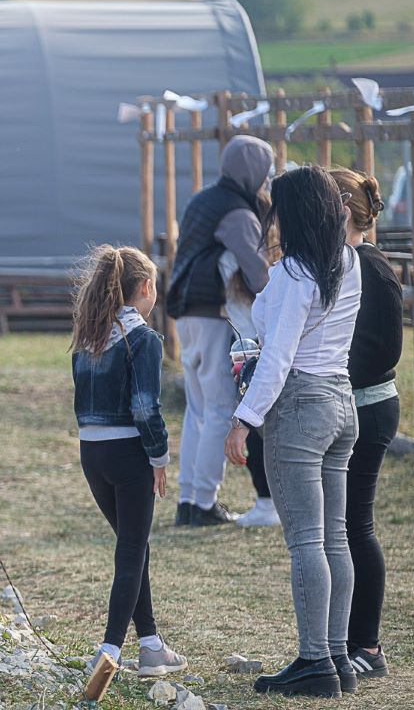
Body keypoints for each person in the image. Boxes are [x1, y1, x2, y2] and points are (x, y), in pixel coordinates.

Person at [225, 165, 362, 698]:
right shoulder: (346, 261)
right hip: (341, 401)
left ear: (294, 213)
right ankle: (337, 656)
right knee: (334, 538)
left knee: (306, 541)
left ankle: (314, 662)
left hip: (301, 404)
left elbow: (278, 358)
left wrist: (243, 421)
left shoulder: (293, 274)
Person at [71, 244, 187, 677]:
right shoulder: (143, 339)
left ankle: (151, 644)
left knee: (134, 547)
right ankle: (111, 651)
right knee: (132, 550)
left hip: (91, 453)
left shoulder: (87, 339)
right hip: (128, 453)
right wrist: (159, 457)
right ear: (145, 288)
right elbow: (145, 409)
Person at [168, 135, 273, 526]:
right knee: (216, 411)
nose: (266, 182)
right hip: (213, 313)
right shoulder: (237, 213)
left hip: (185, 313)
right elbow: (258, 272)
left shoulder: (203, 198)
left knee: (197, 410)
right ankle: (204, 504)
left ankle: (188, 499)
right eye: (264, 173)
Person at [329, 167, 402, 680]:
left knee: (357, 524)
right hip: (348, 402)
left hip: (369, 406)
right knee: (344, 525)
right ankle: (348, 639)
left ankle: (369, 647)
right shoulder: (343, 262)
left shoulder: (370, 268)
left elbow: (383, 349)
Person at [219, 250, 279, 527]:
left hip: (251, 358)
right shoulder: (269, 277)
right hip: (258, 355)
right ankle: (268, 500)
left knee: (256, 430)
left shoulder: (231, 271)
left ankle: (267, 500)